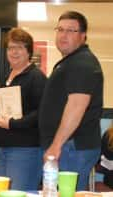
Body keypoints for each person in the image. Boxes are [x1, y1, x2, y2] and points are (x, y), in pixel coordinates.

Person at [39, 11, 103, 190]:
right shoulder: (70, 62)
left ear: (83, 36)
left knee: (67, 193)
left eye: (71, 31)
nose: (63, 35)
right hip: (68, 147)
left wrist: (55, 146)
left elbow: (76, 106)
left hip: (72, 147)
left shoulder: (82, 64)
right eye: (60, 29)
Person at [0, 28, 46, 190]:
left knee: (19, 193)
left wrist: (13, 124)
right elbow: (0, 108)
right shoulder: (6, 77)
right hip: (2, 147)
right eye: (11, 48)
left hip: (24, 149)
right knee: (4, 193)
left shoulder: (36, 77)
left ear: (28, 51)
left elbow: (41, 113)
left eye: (19, 47)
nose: (14, 52)